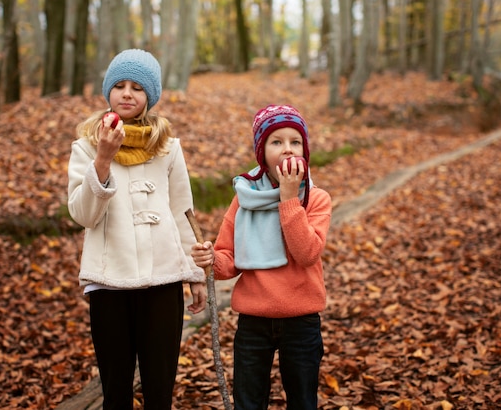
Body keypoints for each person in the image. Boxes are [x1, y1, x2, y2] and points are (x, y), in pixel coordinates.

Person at [67, 48, 207, 409]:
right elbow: (83, 215)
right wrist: (102, 160)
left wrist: (195, 275)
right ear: (108, 92)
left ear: (150, 97)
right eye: (119, 85)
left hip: (162, 281)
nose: (127, 93)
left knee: (160, 388)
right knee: (115, 389)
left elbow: (182, 211)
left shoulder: (168, 148)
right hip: (108, 281)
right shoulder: (86, 146)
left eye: (137, 88)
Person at [191, 104, 331, 409]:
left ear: (305, 150)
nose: (287, 150)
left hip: (302, 320)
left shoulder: (316, 199)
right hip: (254, 320)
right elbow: (229, 260)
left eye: (295, 142)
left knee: (303, 400)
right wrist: (211, 259)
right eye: (276, 142)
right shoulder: (245, 198)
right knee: (249, 401)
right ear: (261, 151)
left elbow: (307, 254)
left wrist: (289, 199)